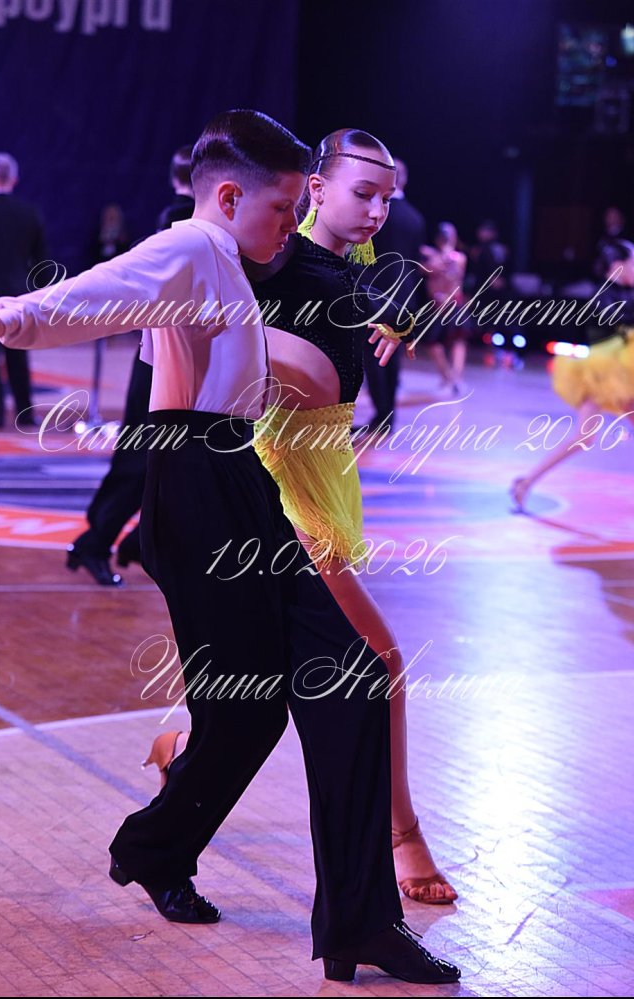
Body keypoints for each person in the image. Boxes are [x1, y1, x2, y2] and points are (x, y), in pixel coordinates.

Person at [0, 110, 459, 985]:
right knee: (275, 700)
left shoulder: (231, 260)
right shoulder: (193, 246)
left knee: (323, 688)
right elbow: (80, 299)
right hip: (196, 486)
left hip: (232, 475)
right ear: (232, 197)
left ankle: (344, 915)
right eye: (283, 209)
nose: (292, 225)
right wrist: (10, 315)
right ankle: (172, 851)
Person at [146, 129, 459, 908]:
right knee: (375, 661)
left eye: (388, 197)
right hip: (284, 482)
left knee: (275, 681)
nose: (379, 210)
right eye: (363, 194)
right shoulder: (271, 258)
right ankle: (403, 836)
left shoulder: (350, 261)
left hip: (326, 471)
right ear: (315, 191)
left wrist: (394, 320)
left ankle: (183, 754)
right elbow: (199, 324)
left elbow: (368, 301)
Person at [66, 146, 195, 586]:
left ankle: (137, 541)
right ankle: (96, 542)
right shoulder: (185, 225)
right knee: (144, 459)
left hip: (165, 362)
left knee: (173, 462)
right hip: (167, 364)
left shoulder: (171, 222)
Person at [510, 239, 634, 511]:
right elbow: (613, 318)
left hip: (620, 373)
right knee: (594, 436)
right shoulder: (603, 295)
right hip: (603, 374)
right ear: (618, 266)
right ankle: (526, 482)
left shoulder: (628, 295)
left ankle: (526, 482)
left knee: (630, 433)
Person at [361, 157, 427, 431]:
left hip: (376, 292)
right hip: (406, 295)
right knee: (392, 355)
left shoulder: (375, 213)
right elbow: (416, 261)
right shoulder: (415, 217)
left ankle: (381, 415)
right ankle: (388, 415)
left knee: (373, 355)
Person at [0, 152, 48, 429]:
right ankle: (25, 414)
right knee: (18, 354)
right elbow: (41, 262)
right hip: (18, 295)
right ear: (14, 179)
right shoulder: (29, 213)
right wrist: (40, 294)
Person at [420, 222, 469, 396]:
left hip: (454, 303)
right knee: (432, 342)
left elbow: (454, 271)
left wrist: (440, 256)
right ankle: (448, 377)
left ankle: (456, 379)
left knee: (457, 340)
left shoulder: (458, 258)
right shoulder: (431, 257)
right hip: (436, 306)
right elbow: (425, 269)